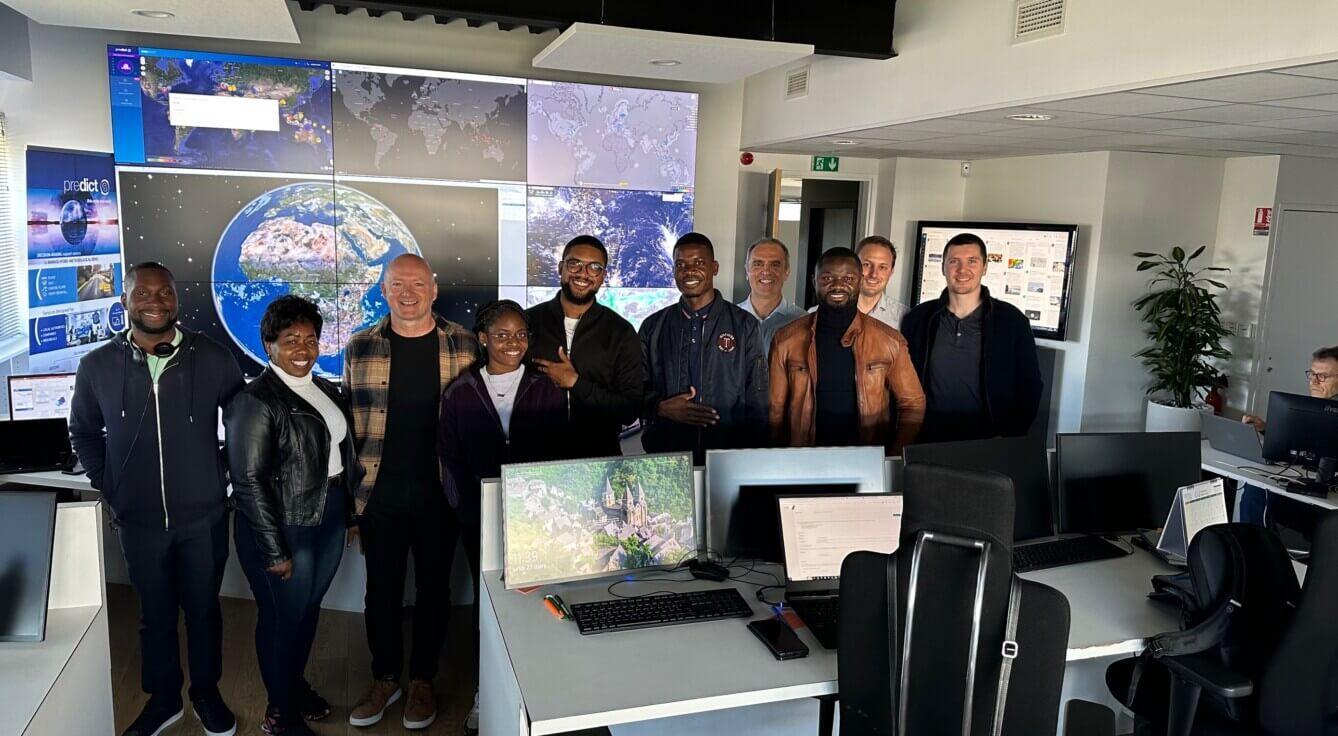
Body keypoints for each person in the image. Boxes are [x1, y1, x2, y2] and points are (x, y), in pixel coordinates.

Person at [69, 261, 244, 736]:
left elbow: (245, 426)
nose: (155, 302)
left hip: (204, 520)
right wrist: (112, 484)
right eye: (143, 294)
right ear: (124, 301)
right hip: (139, 522)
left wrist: (221, 475)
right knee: (155, 615)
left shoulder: (213, 357)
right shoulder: (97, 366)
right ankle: (164, 699)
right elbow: (83, 432)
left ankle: (206, 694)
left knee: (204, 612)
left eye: (164, 292)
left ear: (176, 299)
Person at [344, 254, 478, 731]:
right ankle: (385, 678)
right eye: (397, 284)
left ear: (433, 290)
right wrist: (351, 506)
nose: (407, 293)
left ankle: (422, 679)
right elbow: (350, 430)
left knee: (434, 590)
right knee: (380, 591)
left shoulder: (464, 343)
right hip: (378, 494)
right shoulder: (359, 346)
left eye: (417, 284)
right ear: (383, 290)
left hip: (441, 494)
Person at [225, 296, 359, 735]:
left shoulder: (324, 389)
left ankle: (292, 688)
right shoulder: (254, 400)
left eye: (310, 339)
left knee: (306, 611)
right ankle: (280, 713)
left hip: (328, 515)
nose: (303, 349)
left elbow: (340, 456)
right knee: (283, 618)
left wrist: (349, 514)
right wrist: (273, 549)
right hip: (285, 526)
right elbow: (248, 482)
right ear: (269, 345)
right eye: (290, 340)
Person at [438, 300, 570, 734]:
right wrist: (465, 509)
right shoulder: (460, 392)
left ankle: (540, 690)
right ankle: (487, 691)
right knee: (491, 605)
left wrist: (551, 512)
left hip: (538, 519)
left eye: (520, 335)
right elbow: (449, 459)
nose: (512, 343)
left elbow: (559, 454)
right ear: (483, 338)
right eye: (501, 335)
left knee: (538, 600)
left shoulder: (545, 388)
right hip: (481, 520)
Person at [770, 247, 925, 454]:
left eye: (848, 278)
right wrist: (779, 458)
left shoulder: (890, 341)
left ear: (860, 281)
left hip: (866, 460)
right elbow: (775, 410)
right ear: (814, 281)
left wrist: (892, 456)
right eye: (827, 278)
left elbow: (913, 404)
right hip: (803, 458)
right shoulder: (785, 340)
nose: (837, 285)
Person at [901, 232, 1043, 443]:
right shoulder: (918, 318)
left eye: (972, 261)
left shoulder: (1012, 321)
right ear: (943, 267)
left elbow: (1030, 385)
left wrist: (1010, 436)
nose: (962, 269)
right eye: (954, 261)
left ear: (984, 268)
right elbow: (902, 381)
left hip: (988, 441)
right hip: (927, 438)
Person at [640, 233, 769, 463]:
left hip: (726, 460)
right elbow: (634, 389)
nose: (689, 271)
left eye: (699, 263)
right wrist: (660, 407)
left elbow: (757, 399)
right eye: (681, 265)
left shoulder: (744, 325)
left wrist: (752, 458)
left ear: (714, 268)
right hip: (666, 458)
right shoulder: (653, 327)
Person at [526, 235, 643, 457]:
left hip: (599, 460)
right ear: (561, 268)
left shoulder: (621, 332)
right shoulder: (528, 323)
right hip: (535, 460)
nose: (583, 273)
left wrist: (576, 383)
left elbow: (629, 410)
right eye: (574, 264)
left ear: (603, 276)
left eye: (594, 267)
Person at [1237, 345, 1338, 523]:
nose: (1313, 382)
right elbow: (1304, 443)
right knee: (1255, 487)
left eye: (1322, 376)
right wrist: (1265, 429)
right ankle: (1249, 539)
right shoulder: (1311, 409)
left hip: (1328, 497)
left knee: (1258, 494)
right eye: (1312, 374)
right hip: (1304, 481)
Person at [737, 237, 806, 355]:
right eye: (757, 264)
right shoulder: (728, 319)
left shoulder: (803, 322)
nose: (766, 271)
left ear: (786, 272)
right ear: (747, 271)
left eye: (775, 265)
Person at [855, 235, 911, 329]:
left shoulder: (906, 317)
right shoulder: (831, 311)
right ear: (854, 266)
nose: (874, 274)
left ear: (891, 272)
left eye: (882, 267)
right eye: (867, 265)